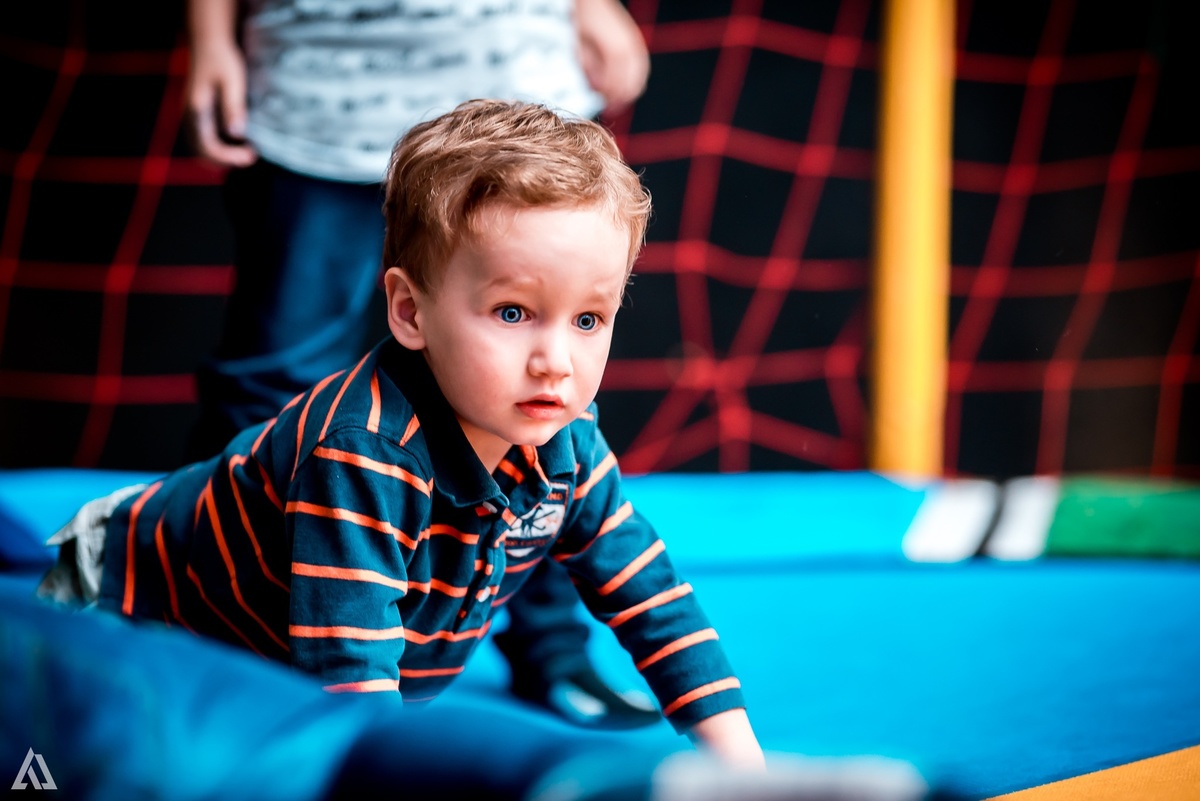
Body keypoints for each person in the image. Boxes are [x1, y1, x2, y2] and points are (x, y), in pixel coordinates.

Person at [38, 99, 763, 766]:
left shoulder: (568, 441)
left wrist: (743, 765)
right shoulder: (366, 450)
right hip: (125, 613)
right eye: (513, 313)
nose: (556, 361)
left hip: (260, 664)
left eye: (588, 319)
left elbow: (655, 602)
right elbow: (351, 671)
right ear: (410, 312)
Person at [180, 0, 654, 727]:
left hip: (514, 79)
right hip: (322, 93)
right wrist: (211, 35)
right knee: (275, 377)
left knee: (544, 396)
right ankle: (235, 653)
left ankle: (554, 652)